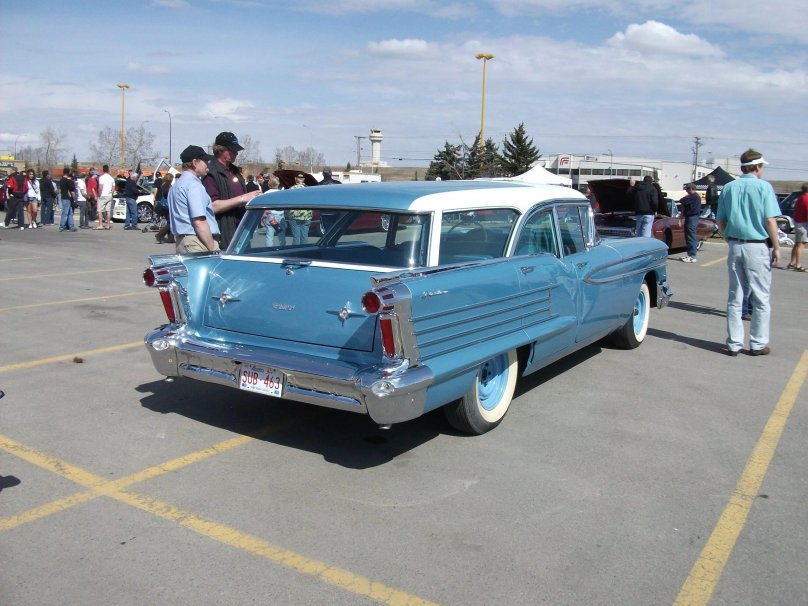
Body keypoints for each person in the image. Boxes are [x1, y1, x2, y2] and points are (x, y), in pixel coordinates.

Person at [715, 149, 781, 356]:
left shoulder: (729, 187)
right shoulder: (764, 187)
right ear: (758, 167)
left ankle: (734, 343)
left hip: (735, 244)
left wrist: (728, 239)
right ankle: (757, 343)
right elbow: (770, 220)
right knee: (761, 297)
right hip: (757, 245)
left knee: (735, 296)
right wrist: (777, 247)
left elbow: (720, 220)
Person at [203, 131, 260, 248]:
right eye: (232, 150)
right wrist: (243, 198)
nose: (236, 154)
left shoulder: (234, 171)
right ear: (220, 150)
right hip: (224, 232)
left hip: (241, 229)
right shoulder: (211, 173)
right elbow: (213, 206)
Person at [168, 145, 220, 253]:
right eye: (205, 161)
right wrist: (212, 248)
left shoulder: (176, 186)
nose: (208, 164)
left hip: (182, 241)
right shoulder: (194, 185)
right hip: (197, 242)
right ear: (195, 162)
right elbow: (199, 222)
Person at [786, 183, 808, 272]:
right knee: (801, 244)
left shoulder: (800, 198)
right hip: (802, 223)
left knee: (797, 243)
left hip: (798, 222)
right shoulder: (806, 199)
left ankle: (792, 263)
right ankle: (798, 265)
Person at [679, 183, 702, 262]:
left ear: (691, 189)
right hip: (690, 217)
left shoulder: (694, 197)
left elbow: (682, 200)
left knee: (691, 236)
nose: (686, 191)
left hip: (692, 218)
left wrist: (686, 197)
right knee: (688, 236)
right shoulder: (693, 197)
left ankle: (692, 256)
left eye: (687, 189)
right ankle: (689, 254)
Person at [286, 172, 311, 244]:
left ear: (295, 179)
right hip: (307, 215)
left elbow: (288, 202)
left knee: (296, 237)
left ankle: (295, 252)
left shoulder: (292, 189)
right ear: (303, 179)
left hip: (295, 215)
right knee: (304, 236)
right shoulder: (309, 189)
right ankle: (304, 253)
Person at [155, 172, 174, 244]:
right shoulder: (167, 185)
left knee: (170, 221)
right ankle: (160, 234)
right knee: (171, 222)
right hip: (167, 206)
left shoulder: (163, 185)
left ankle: (170, 238)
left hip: (164, 206)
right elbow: (167, 194)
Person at [96, 165, 115, 229]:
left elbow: (100, 187)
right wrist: (111, 194)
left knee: (99, 210)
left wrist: (99, 194)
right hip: (109, 196)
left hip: (103, 195)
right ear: (108, 170)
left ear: (103, 170)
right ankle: (108, 225)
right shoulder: (111, 178)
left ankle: (100, 224)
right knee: (108, 211)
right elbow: (113, 187)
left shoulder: (101, 178)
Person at [58, 168, 77, 232]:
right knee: (65, 213)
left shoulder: (61, 180)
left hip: (63, 197)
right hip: (68, 198)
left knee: (70, 213)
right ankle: (62, 226)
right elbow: (72, 191)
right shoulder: (68, 181)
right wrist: (74, 199)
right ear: (68, 172)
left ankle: (71, 226)